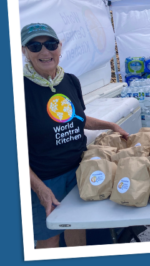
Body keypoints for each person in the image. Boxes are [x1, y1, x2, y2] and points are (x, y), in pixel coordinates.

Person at [23, 23, 129, 249]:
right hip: (45, 178)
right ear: (25, 51)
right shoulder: (19, 88)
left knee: (76, 228)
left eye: (50, 44)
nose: (44, 51)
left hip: (80, 170)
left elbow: (80, 119)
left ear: (60, 47)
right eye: (35, 46)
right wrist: (40, 188)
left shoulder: (70, 80)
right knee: (49, 237)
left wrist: (111, 126)